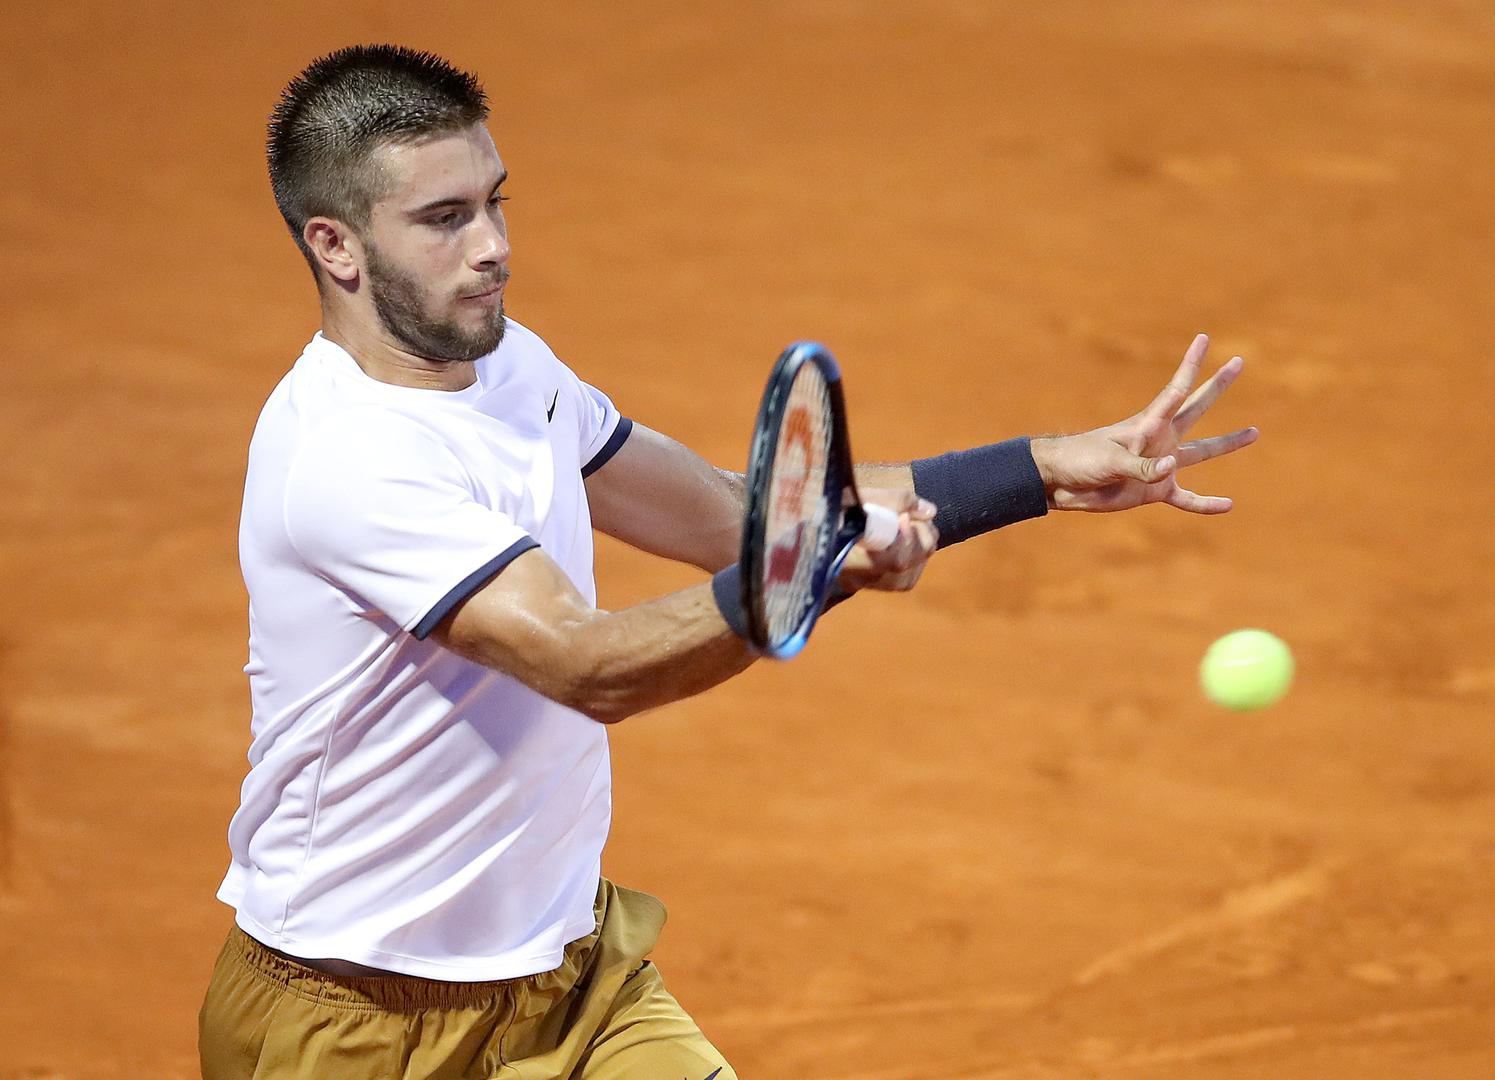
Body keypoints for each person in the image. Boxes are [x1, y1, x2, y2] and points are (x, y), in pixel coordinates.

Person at [198, 44, 1257, 1080]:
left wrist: (1035, 470)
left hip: (568, 983)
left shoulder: (511, 366)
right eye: (444, 219)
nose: (493, 247)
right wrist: (804, 577)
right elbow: (586, 664)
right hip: (351, 1029)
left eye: (494, 201)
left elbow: (730, 516)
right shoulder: (350, 460)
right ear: (336, 247)